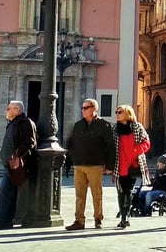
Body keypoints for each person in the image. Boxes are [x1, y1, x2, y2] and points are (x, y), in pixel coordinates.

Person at [65, 97, 115, 231]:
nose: (83, 110)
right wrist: (71, 161)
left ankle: (98, 219)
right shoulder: (78, 125)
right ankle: (79, 221)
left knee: (97, 194)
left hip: (96, 165)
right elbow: (70, 143)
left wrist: (109, 166)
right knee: (79, 196)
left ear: (94, 109)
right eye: (82, 108)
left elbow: (110, 146)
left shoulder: (104, 125)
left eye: (86, 108)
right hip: (79, 165)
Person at [0, 100, 37, 231]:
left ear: (17, 110)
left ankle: (0, 222)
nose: (7, 111)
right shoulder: (13, 123)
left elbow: (30, 142)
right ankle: (5, 221)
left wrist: (15, 154)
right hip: (9, 164)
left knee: (5, 193)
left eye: (9, 108)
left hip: (15, 165)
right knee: (7, 193)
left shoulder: (25, 123)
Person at [112, 105, 151, 229]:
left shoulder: (137, 127)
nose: (117, 114)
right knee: (120, 191)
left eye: (120, 112)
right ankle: (123, 216)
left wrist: (136, 150)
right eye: (116, 112)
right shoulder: (114, 129)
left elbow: (146, 143)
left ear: (128, 114)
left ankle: (125, 217)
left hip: (133, 165)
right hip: (119, 165)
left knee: (128, 191)